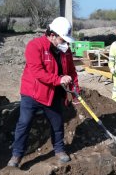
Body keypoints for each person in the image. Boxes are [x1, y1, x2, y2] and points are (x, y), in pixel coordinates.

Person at [7, 17, 79, 167]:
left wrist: (75, 91)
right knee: (24, 123)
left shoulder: (65, 50)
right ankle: (17, 155)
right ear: (52, 35)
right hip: (32, 92)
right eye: (62, 39)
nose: (65, 43)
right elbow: (37, 72)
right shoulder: (35, 46)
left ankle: (59, 149)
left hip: (53, 93)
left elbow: (71, 71)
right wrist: (59, 80)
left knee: (57, 123)